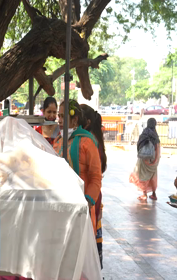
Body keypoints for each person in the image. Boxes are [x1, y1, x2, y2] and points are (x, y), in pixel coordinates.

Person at [53, 100, 102, 235]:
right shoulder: (58, 141)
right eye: (59, 116)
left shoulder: (87, 142)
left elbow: (95, 176)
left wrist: (88, 201)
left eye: (63, 116)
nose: (60, 120)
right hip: (59, 205)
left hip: (81, 207)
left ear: (74, 120)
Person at [81, 104, 107, 270]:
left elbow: (95, 175)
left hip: (90, 195)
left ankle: (89, 269)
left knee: (88, 234)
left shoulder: (88, 141)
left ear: (87, 122)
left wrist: (89, 198)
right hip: (92, 194)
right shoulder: (90, 138)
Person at [129, 118, 161, 201]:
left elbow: (139, 145)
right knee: (152, 176)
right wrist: (156, 160)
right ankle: (154, 194)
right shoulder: (155, 134)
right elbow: (157, 148)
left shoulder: (144, 133)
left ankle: (144, 194)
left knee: (143, 175)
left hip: (144, 158)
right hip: (153, 158)